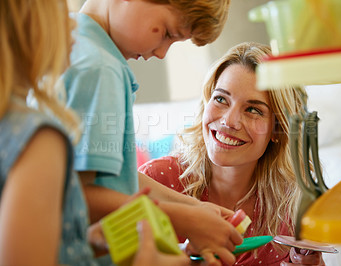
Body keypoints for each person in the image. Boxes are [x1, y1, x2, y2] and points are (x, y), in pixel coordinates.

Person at [0, 0, 189, 265]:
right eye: (60, 16)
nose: (73, 23)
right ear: (26, 29)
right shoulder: (39, 139)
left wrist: (84, 241)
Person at [63, 0, 243, 265]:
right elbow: (73, 195)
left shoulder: (73, 41)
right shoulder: (102, 69)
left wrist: (194, 207)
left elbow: (109, 178)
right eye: (168, 33)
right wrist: (184, 219)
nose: (161, 54)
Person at [139, 42, 326, 266]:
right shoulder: (155, 180)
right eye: (220, 99)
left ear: (278, 129)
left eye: (253, 110)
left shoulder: (291, 205)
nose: (229, 121)